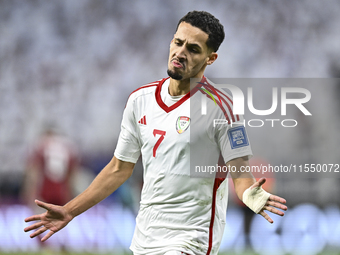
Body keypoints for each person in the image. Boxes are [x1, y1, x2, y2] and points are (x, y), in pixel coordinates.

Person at [24, 11, 287, 255]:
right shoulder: (140, 100)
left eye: (193, 49)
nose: (181, 53)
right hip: (145, 238)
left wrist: (253, 196)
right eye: (178, 42)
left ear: (211, 58)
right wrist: (70, 211)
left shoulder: (222, 107)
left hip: (190, 240)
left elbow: (240, 175)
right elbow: (119, 169)